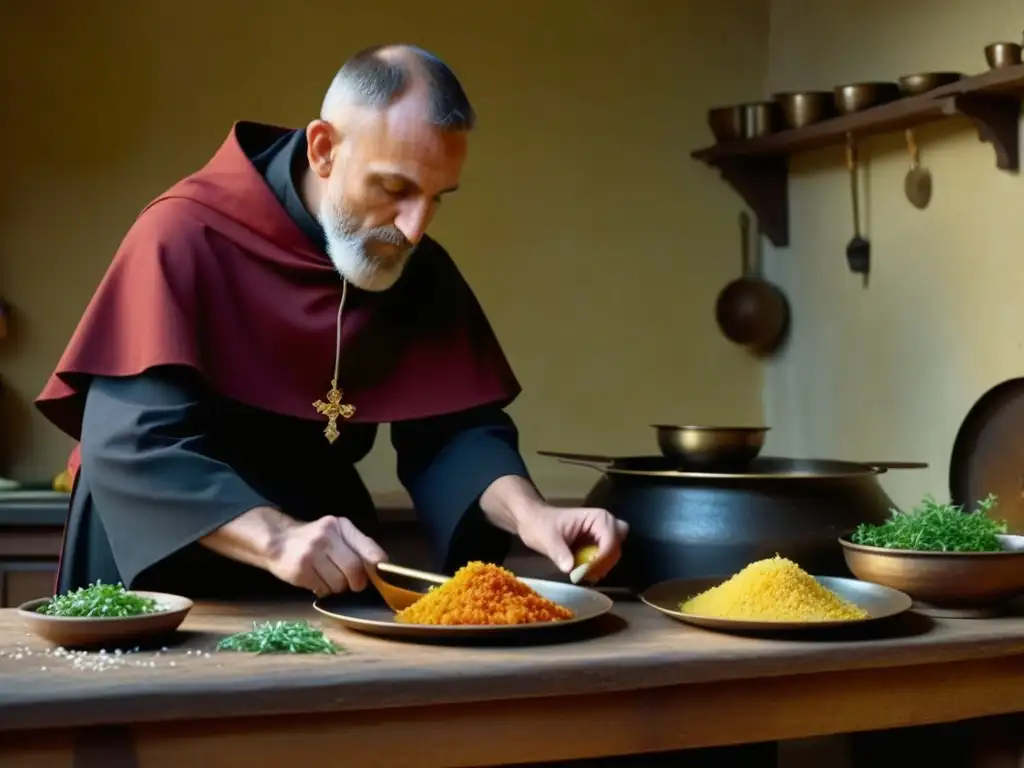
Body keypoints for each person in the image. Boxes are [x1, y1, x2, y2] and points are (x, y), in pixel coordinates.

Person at [35, 44, 629, 601]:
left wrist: (533, 516)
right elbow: (133, 446)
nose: (415, 227)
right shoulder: (183, 235)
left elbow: (456, 432)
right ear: (323, 149)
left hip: (323, 564)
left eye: (438, 196)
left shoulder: (409, 258)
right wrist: (277, 538)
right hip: (161, 564)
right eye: (394, 187)